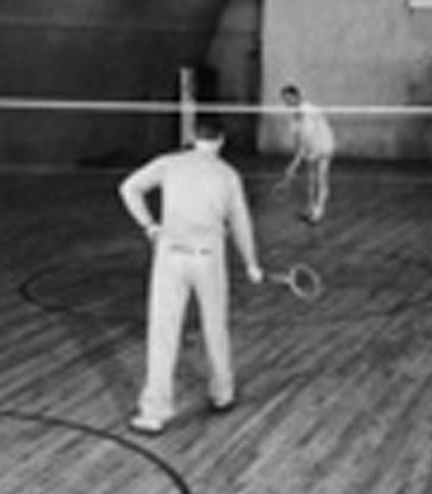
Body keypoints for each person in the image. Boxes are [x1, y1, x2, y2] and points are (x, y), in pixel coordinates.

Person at [118, 115, 264, 434]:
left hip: (170, 257)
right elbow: (241, 224)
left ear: (193, 136)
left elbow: (128, 188)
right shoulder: (228, 175)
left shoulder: (169, 163)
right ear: (221, 140)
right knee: (215, 326)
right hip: (207, 258)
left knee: (163, 332)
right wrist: (251, 263)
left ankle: (154, 413)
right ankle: (222, 394)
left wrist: (149, 226)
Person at [278, 84, 336, 223]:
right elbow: (299, 141)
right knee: (310, 179)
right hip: (311, 146)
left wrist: (294, 165)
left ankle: (319, 211)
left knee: (321, 178)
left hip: (324, 144)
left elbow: (306, 139)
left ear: (297, 96)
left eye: (289, 98)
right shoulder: (294, 117)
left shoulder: (309, 110)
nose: (287, 102)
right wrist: (293, 164)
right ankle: (311, 209)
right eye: (284, 99)